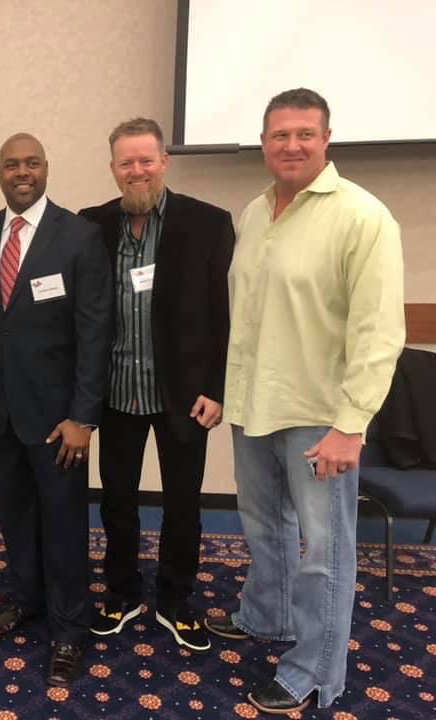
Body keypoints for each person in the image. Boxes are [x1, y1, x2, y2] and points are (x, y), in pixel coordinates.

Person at [205, 88, 404, 714]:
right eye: (279, 135)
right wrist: (225, 393)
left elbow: (379, 333)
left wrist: (352, 426)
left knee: (324, 550)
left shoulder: (362, 217)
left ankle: (315, 668)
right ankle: (266, 616)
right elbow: (248, 317)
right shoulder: (256, 211)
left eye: (304, 134)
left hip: (321, 416)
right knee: (264, 528)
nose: (291, 145)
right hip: (254, 406)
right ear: (263, 142)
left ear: (327, 139)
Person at [0, 133, 112, 687]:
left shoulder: (79, 236)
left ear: (47, 168)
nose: (21, 172)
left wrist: (83, 417)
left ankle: (71, 627)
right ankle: (27, 601)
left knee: (65, 523)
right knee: (15, 516)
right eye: (11, 165)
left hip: (58, 422)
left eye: (31, 163)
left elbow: (95, 332)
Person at [78, 119, 234, 652]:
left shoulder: (209, 224)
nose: (137, 171)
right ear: (114, 169)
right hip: (117, 392)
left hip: (185, 396)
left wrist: (217, 387)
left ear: (164, 161)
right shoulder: (92, 224)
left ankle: (174, 598)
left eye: (146, 160)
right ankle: (122, 594)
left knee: (183, 503)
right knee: (116, 502)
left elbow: (224, 316)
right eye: (127, 163)